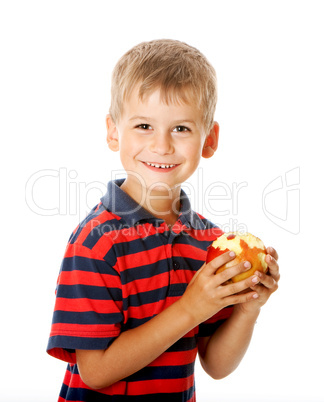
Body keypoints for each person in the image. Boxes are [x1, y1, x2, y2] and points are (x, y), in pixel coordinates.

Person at [47, 39, 280, 402]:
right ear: (113, 132)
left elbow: (217, 365)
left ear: (209, 139)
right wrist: (190, 309)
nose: (162, 145)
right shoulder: (96, 242)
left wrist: (248, 308)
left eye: (181, 129)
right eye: (143, 126)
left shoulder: (209, 242)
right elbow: (94, 373)